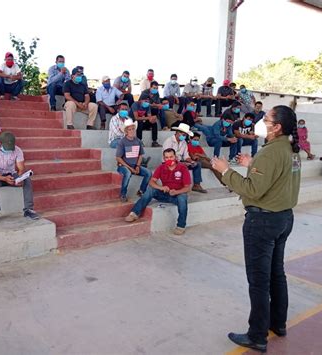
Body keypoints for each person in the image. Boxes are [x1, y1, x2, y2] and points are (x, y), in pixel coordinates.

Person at [211, 105, 301, 353]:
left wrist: (225, 171)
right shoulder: (290, 150)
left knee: (259, 282)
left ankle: (257, 335)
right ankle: (277, 323)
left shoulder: (271, 153)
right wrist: (253, 164)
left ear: (277, 126)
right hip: (284, 218)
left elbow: (252, 189)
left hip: (262, 222)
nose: (262, 121)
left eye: (267, 118)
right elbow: (277, 180)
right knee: (276, 274)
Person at [125, 148, 190, 236]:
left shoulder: (182, 168)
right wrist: (161, 187)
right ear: (164, 158)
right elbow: (151, 182)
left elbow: (187, 188)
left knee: (183, 197)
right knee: (151, 189)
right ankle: (134, 213)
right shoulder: (161, 167)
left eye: (171, 157)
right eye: (166, 157)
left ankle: (181, 226)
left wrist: (176, 192)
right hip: (164, 194)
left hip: (177, 196)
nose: (169, 159)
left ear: (175, 157)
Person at [0, 132, 39, 223]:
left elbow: (21, 168)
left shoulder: (18, 150)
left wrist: (20, 178)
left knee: (27, 180)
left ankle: (28, 210)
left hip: (10, 174)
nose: (9, 150)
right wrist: (4, 179)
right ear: (0, 143)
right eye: (6, 147)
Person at [162, 123, 207, 193]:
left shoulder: (183, 143)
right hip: (168, 162)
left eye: (185, 135)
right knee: (183, 166)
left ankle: (196, 185)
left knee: (197, 164)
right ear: (177, 132)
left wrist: (191, 161)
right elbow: (168, 157)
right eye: (183, 135)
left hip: (179, 162)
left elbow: (186, 156)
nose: (184, 136)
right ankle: (181, 187)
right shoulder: (169, 141)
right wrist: (182, 163)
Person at [115, 120, 151, 202]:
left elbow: (140, 155)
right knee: (127, 173)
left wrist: (138, 166)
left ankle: (141, 191)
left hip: (135, 165)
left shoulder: (138, 141)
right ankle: (123, 194)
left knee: (148, 173)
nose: (132, 131)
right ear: (126, 131)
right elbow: (118, 158)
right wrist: (130, 168)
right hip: (123, 166)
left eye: (133, 129)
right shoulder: (122, 142)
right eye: (129, 129)